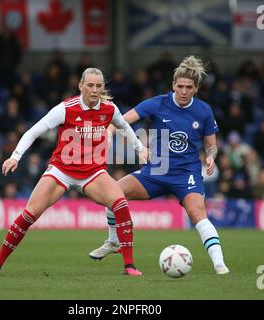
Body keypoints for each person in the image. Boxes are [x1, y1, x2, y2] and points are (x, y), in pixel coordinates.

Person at [0, 68, 149, 276]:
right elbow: (33, 132)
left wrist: (140, 148)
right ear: (81, 86)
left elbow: (124, 127)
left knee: (120, 203)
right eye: (90, 85)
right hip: (61, 171)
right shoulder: (66, 109)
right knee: (30, 213)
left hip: (93, 173)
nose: (95, 90)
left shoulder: (109, 109)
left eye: (99, 86)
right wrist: (15, 156)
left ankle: (129, 265)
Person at [89, 56, 230, 275]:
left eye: (188, 87)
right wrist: (108, 133)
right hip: (156, 171)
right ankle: (113, 241)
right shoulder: (157, 103)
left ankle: (219, 263)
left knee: (197, 213)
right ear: (173, 85)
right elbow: (122, 121)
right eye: (180, 86)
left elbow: (211, 146)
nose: (183, 91)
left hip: (186, 174)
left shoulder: (203, 111)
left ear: (196, 88)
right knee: (113, 193)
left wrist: (211, 156)